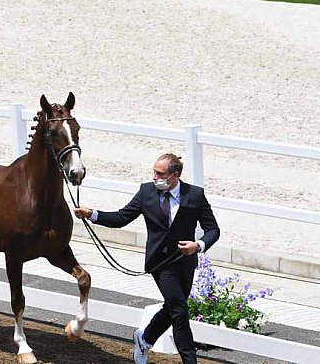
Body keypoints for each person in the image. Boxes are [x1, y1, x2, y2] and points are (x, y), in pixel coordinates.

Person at [73, 153, 220, 364]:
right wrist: (92, 214)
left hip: (185, 262)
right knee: (179, 310)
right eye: (154, 172)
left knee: (172, 309)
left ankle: (145, 338)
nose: (154, 177)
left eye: (159, 173)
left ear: (174, 176)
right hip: (160, 263)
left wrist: (199, 245)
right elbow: (121, 217)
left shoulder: (195, 195)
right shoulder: (146, 192)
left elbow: (213, 229)